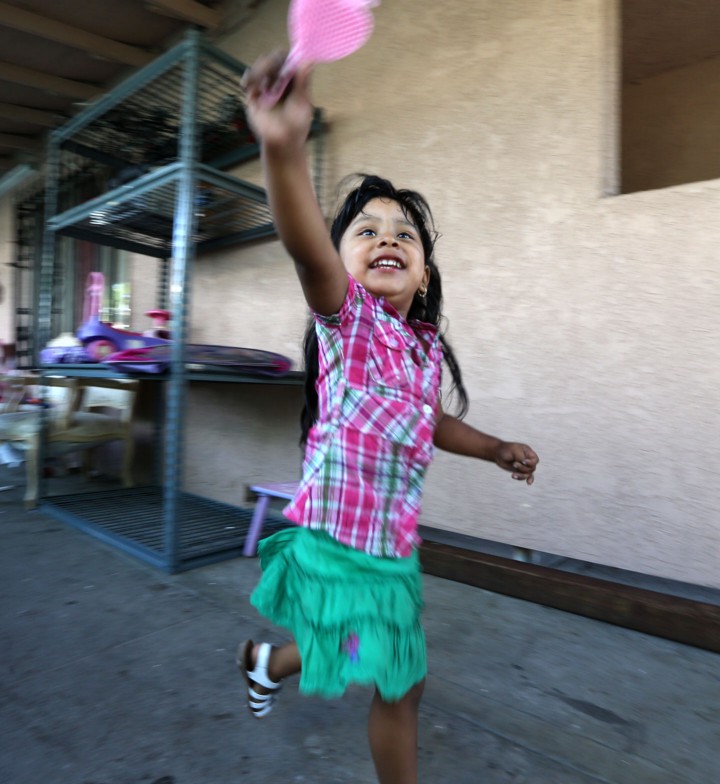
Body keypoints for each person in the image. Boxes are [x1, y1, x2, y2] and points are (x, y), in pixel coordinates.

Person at [236, 54, 540, 784]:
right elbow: (303, 243)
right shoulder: (350, 323)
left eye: (405, 234)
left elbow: (429, 423)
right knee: (391, 674)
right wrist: (282, 148)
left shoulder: (421, 351)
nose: (388, 239)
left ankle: (264, 661)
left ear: (425, 273)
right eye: (365, 231)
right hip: (337, 546)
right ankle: (274, 661)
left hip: (393, 548)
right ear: (340, 262)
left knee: (365, 655)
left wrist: (495, 446)